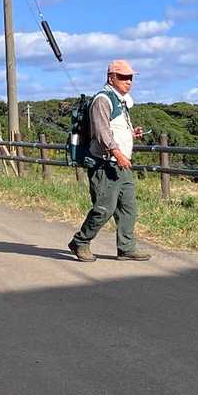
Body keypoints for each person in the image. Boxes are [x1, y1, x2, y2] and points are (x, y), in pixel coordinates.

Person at [69, 59, 151, 263]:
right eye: (123, 77)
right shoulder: (103, 99)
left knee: (128, 208)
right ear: (111, 77)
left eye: (130, 77)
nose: (128, 81)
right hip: (104, 163)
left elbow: (114, 128)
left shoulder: (120, 101)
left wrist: (132, 133)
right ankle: (80, 241)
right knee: (103, 209)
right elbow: (102, 133)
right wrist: (118, 153)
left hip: (121, 164)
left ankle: (126, 248)